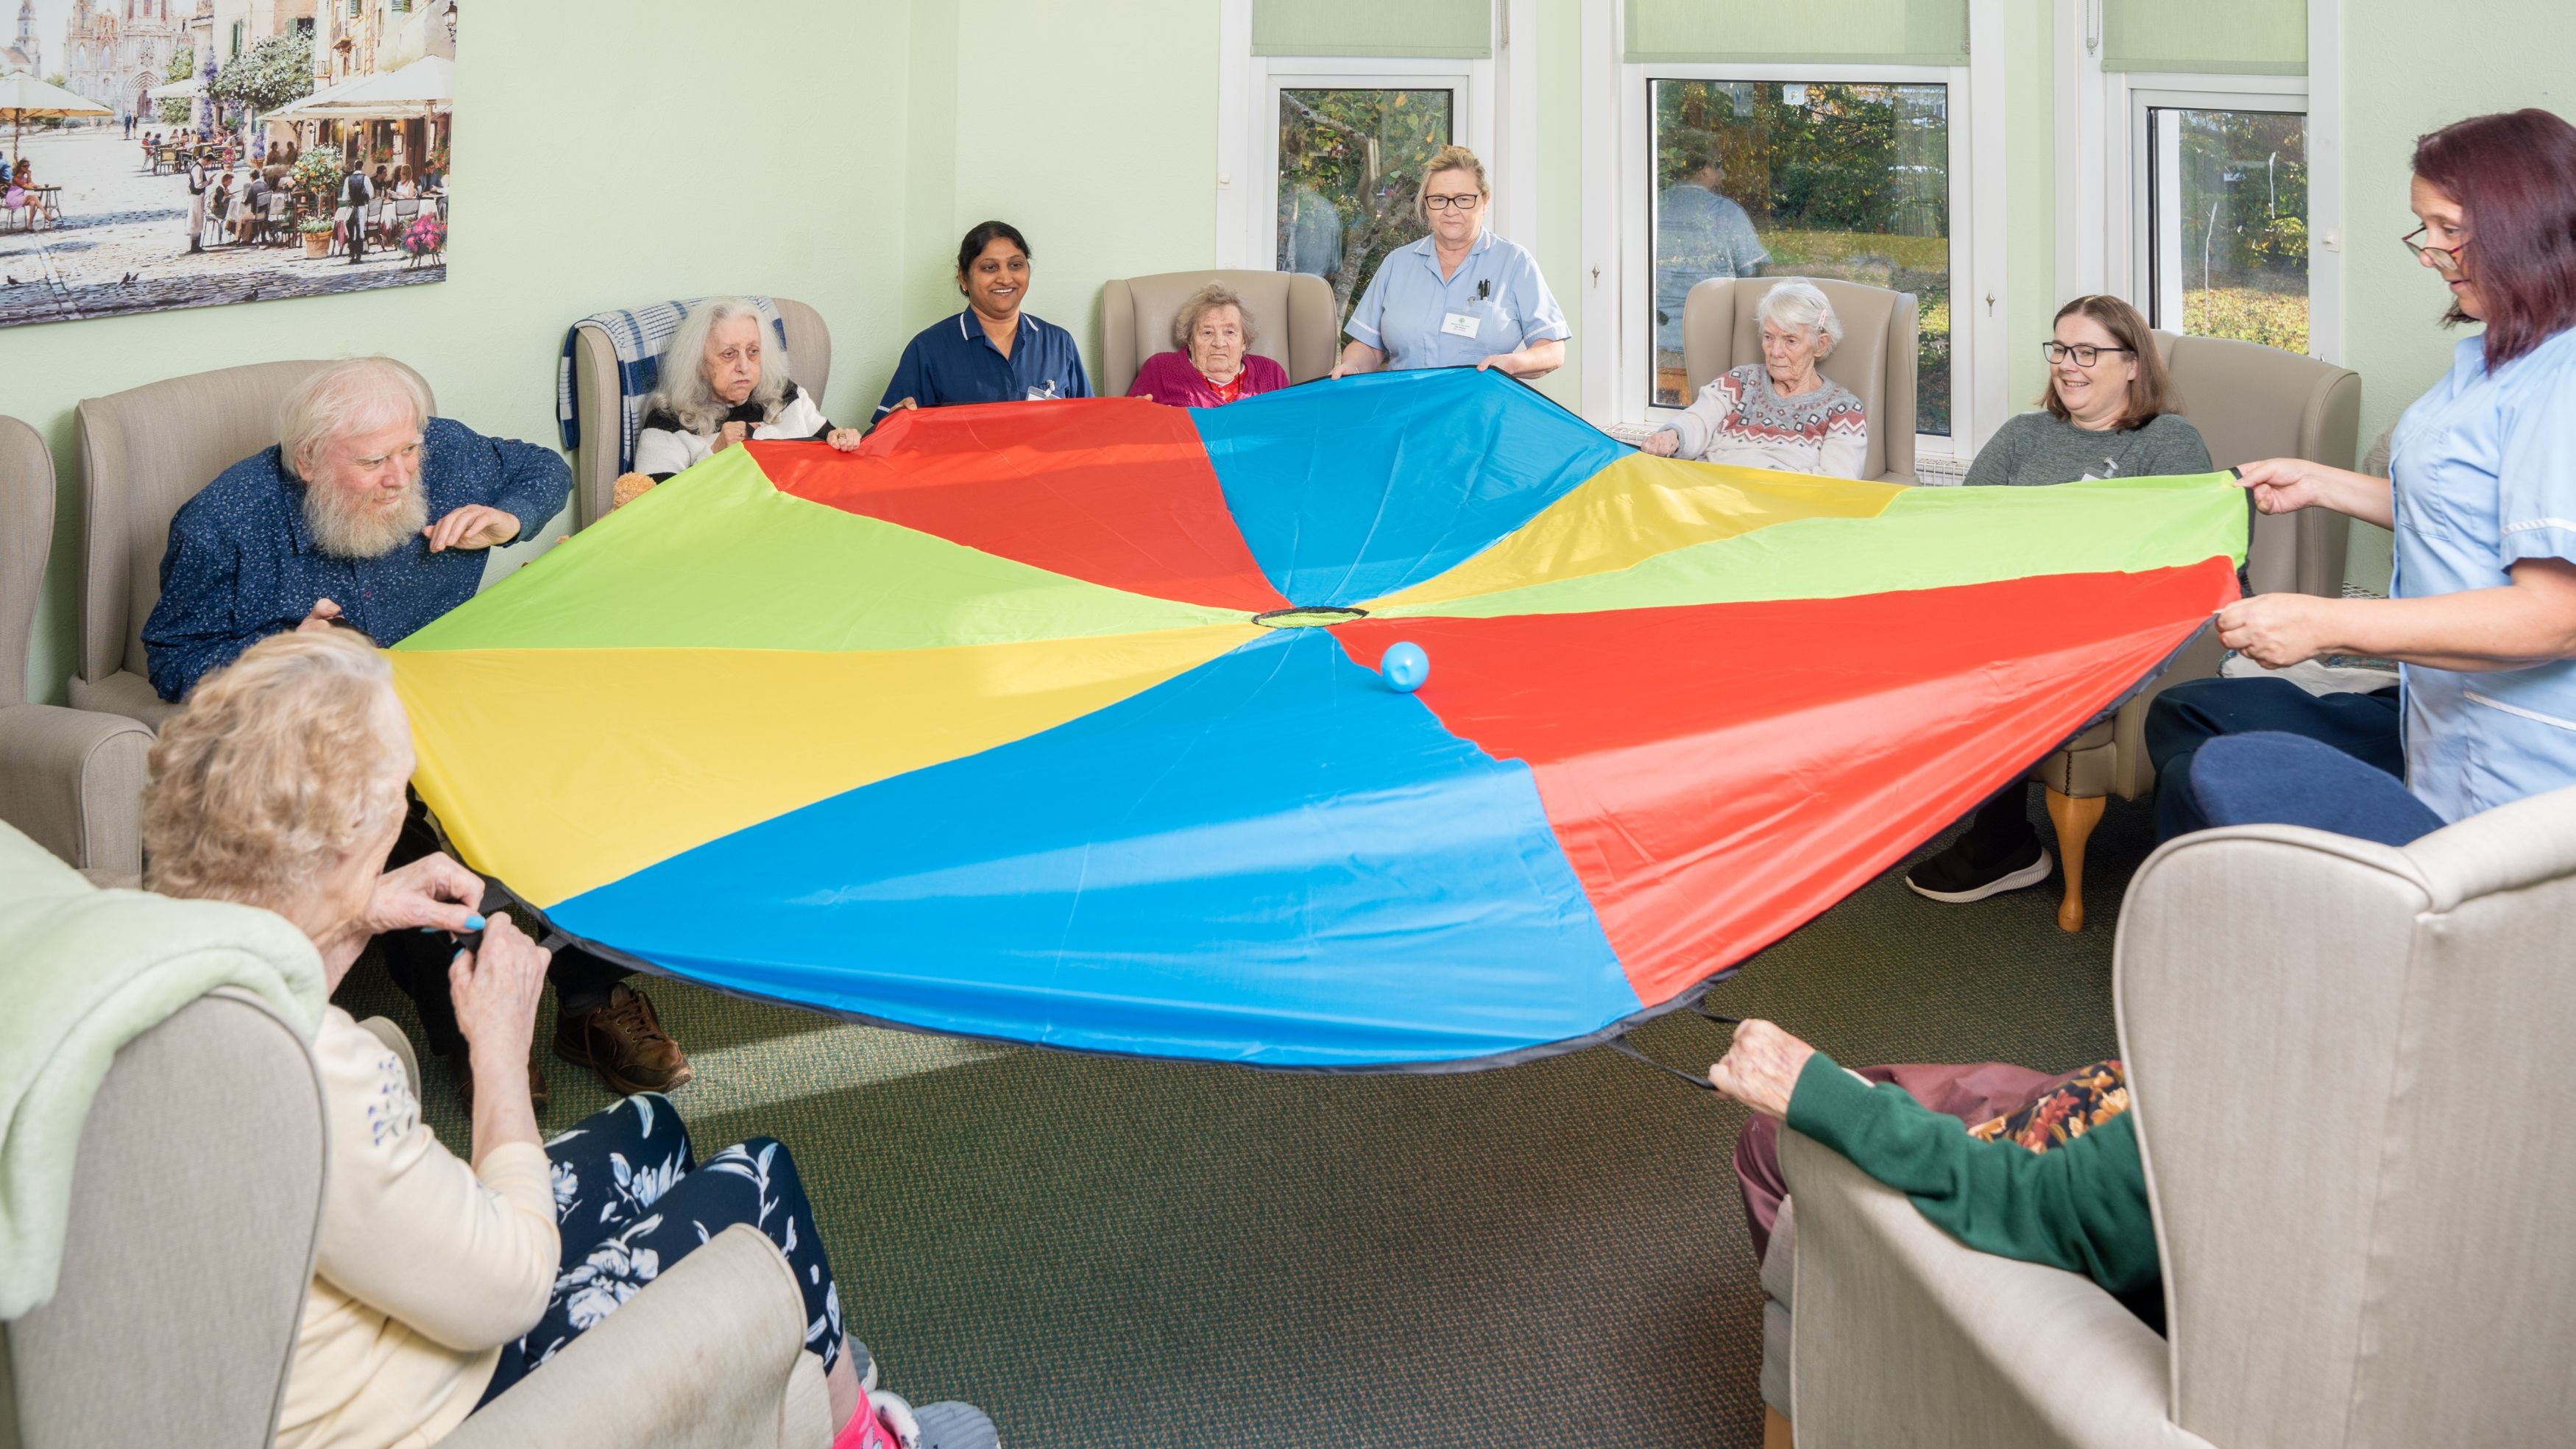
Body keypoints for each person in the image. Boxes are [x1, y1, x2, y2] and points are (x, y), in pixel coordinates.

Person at [136, 629, 998, 1449]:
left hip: (349, 1332)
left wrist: (355, 906)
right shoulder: (318, 1071)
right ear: (339, 843)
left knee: (652, 1129)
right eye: (399, 794)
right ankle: (856, 1428)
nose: (407, 806)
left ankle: (786, 1343)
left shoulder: (159, 956)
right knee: (759, 1180)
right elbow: (509, 1289)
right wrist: (498, 1048)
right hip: (420, 1403)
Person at [141, 357, 690, 1104]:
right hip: (331, 731)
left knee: (583, 775)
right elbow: (173, 657)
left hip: (450, 696)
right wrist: (284, 650)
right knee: (400, 846)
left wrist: (508, 519)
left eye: (408, 450)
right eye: (374, 462)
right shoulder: (221, 523)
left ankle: (591, 999)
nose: (401, 476)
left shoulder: (448, 454)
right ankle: (471, 1037)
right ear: (308, 461)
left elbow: (541, 470)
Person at [2148, 108, 2576, 843]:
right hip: (2447, 725)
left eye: (2447, 228)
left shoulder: (2561, 380)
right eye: (2424, 228)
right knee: (2202, 739)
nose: (2428, 252)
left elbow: (2556, 616)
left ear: (2524, 224)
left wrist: (2323, 622)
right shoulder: (2500, 357)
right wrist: (2322, 483)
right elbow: (2466, 510)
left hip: (2524, 762)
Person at [1708, 1016, 2154, 1440]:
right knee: (1967, 1087)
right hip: (2117, 1109)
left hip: (2054, 1175)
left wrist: (1825, 1095)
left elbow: (2040, 1202)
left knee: (1770, 1138)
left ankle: (1849, 1359)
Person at [1904, 294, 2212, 906]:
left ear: (2132, 364)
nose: (2068, 364)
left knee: (1998, 657)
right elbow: (1961, 529)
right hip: (2011, 605)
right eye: (2061, 349)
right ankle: (1983, 831)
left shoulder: (2167, 442)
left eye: (2088, 352)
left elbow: (2186, 558)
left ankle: (2000, 842)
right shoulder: (2024, 435)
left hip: (2113, 625)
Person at [1331, 145, 1569, 380]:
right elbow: (1368, 347)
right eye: (1439, 199)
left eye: (1464, 199)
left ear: (1484, 201)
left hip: (1480, 403)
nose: (1450, 210)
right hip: (1408, 402)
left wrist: (1511, 364)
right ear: (1426, 204)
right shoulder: (1397, 263)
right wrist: (1353, 367)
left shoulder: (1514, 262)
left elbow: (1552, 350)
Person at [618, 297, 864, 506]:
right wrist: (714, 454)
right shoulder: (667, 421)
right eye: (729, 354)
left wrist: (844, 440)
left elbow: (832, 454)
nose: (744, 367)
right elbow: (656, 511)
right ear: (699, 363)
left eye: (753, 351)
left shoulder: (786, 395)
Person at [1641, 278, 1868, 476]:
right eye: (1769, 337)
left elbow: (1837, 482)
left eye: (1790, 341)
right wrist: (1673, 436)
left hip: (1779, 503)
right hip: (1710, 487)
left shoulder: (1843, 410)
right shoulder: (1740, 381)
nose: (1775, 351)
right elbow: (1698, 420)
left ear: (1821, 345)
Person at [875, 220, 1089, 424]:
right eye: (989, 268)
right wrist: (896, 421)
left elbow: (1089, 424)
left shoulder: (1059, 344)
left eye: (1015, 265)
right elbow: (886, 434)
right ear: (964, 278)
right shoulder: (928, 348)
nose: (1005, 278)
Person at [1654, 148, 1769, 358]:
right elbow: (1753, 278)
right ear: (1705, 170)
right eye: (1718, 168)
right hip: (1710, 338)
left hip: (1655, 339)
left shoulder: (1654, 206)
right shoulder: (1725, 211)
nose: (1722, 175)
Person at [1125, 283, 1289, 408]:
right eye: (1207, 332)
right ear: (1189, 340)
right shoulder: (1160, 369)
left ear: (1244, 341)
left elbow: (1295, 426)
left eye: (1230, 332)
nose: (1219, 343)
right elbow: (1126, 426)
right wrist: (1136, 415)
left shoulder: (1271, 373)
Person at [339, 158, 374, 263]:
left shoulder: (348, 179)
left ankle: (352, 252)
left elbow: (345, 196)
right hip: (361, 207)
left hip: (351, 207)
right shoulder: (365, 178)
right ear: (362, 167)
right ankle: (358, 254)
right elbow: (371, 194)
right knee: (360, 230)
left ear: (354, 167)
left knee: (351, 229)